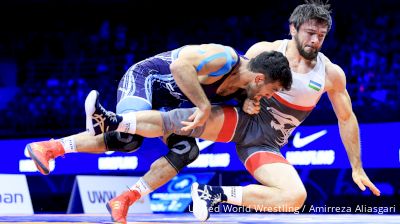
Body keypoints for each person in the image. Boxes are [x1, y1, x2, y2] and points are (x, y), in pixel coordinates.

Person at [82, 0, 380, 221]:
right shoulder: (265, 50)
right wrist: (244, 100)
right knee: (177, 122)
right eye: (310, 32)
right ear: (293, 29)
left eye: (322, 35)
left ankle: (213, 195)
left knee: (294, 197)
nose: (315, 40)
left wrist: (356, 166)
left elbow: (346, 117)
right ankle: (113, 120)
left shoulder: (331, 74)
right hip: (241, 119)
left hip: (266, 143)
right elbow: (239, 80)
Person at [26, 46, 292, 223]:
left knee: (186, 151)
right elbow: (179, 68)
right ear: (259, 78)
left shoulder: (247, 89)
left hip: (171, 104)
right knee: (126, 139)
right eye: (272, 90)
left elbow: (241, 100)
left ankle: (124, 199)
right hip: (146, 79)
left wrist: (247, 100)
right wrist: (202, 105)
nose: (271, 98)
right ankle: (50, 148)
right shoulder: (225, 58)